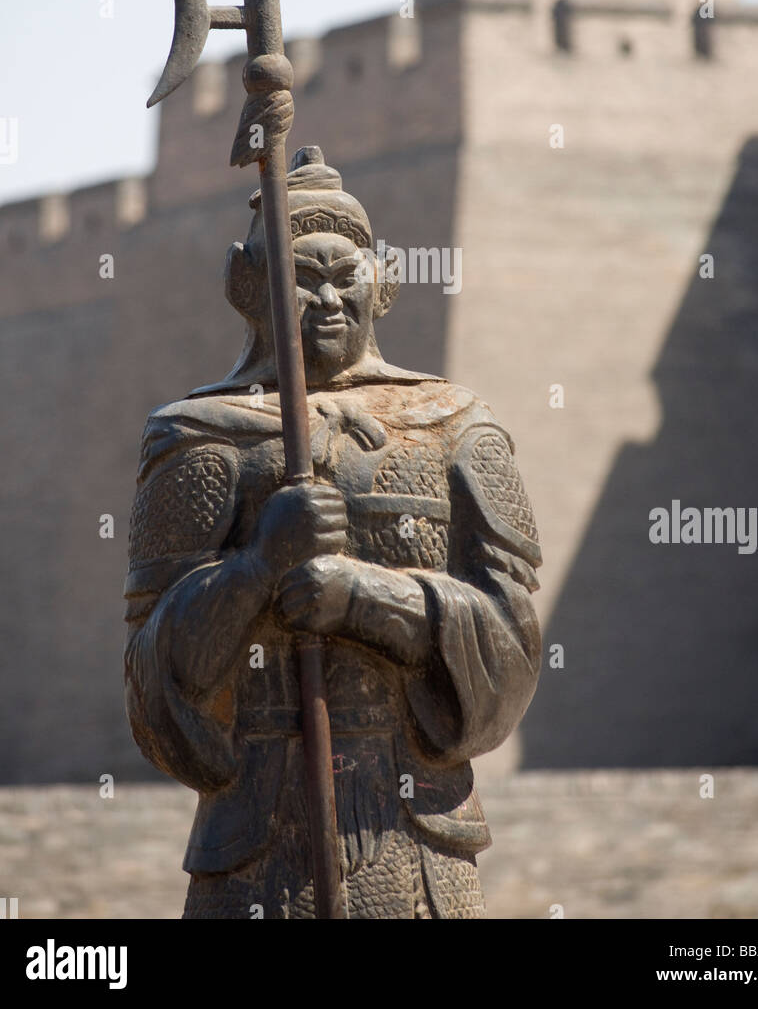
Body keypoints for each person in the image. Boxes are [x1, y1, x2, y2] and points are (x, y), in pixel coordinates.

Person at [124, 146, 542, 919]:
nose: (324, 298)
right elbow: (152, 679)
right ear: (244, 285)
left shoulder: (455, 429)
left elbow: (512, 649)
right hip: (253, 852)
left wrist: (365, 598)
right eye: (298, 277)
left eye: (342, 274)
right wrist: (254, 570)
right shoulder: (198, 439)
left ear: (379, 284)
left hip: (420, 843)